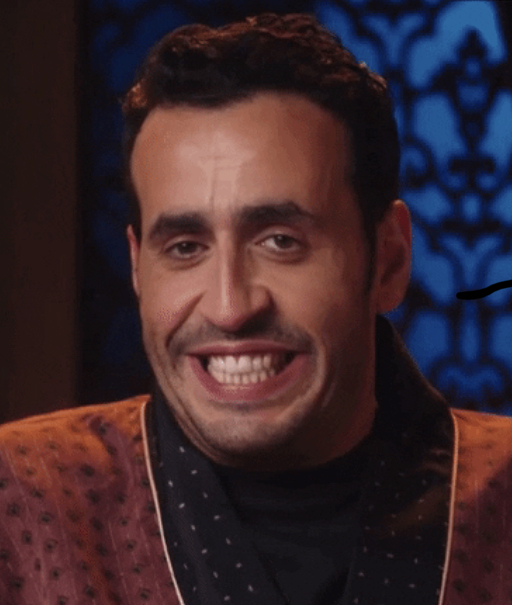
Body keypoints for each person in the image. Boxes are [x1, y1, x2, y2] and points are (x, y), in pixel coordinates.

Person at [0, 12, 510, 605]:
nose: (229, 307)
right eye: (185, 248)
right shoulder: (21, 501)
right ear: (138, 268)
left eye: (280, 242)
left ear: (389, 261)